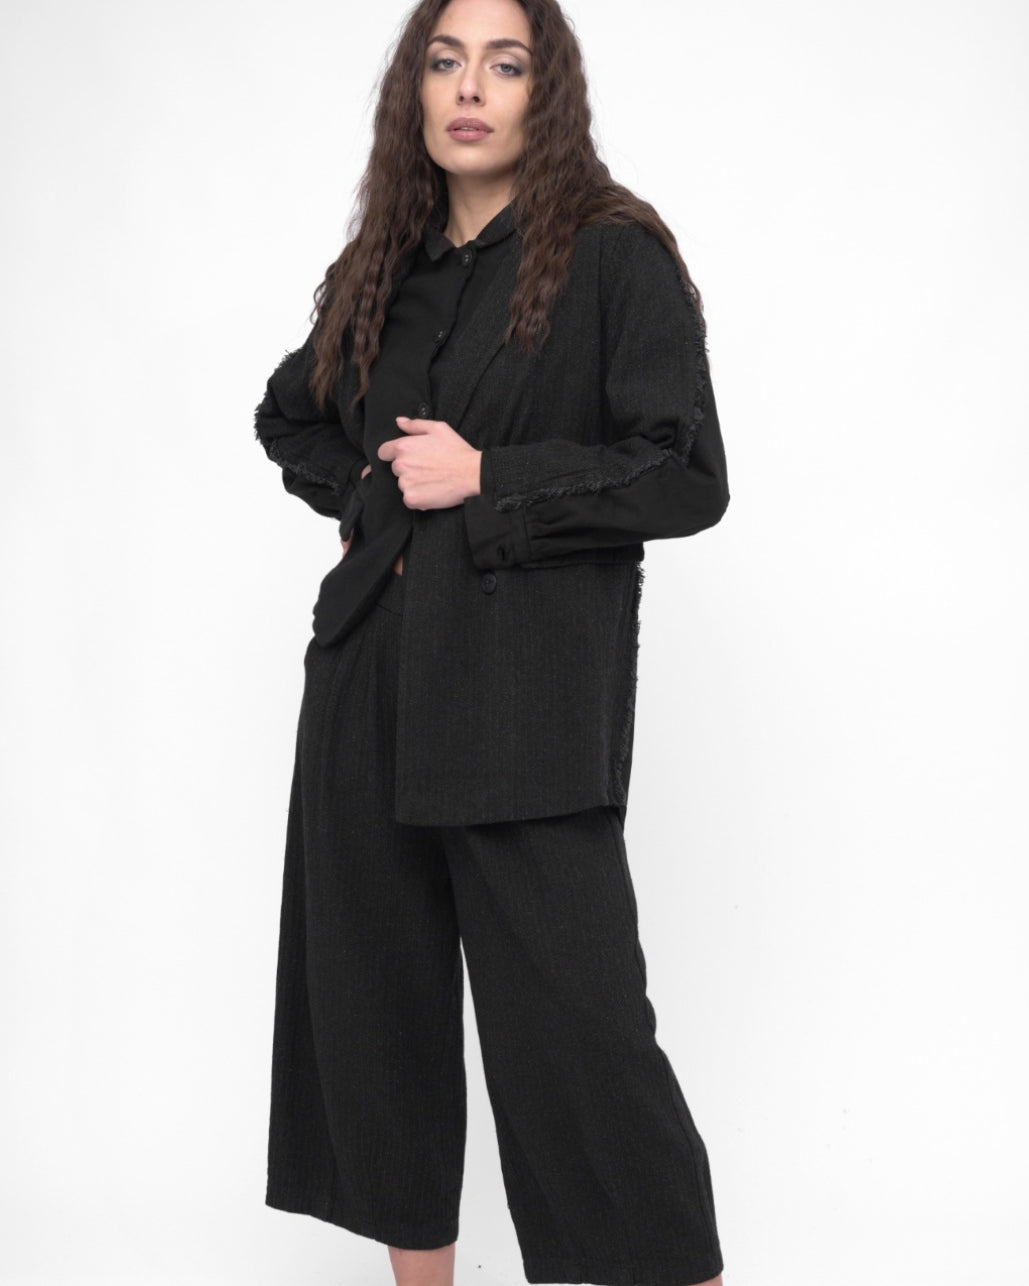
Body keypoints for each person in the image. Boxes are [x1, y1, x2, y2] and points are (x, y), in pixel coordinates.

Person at [252, 1, 730, 1283]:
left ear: (543, 92)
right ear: (413, 92)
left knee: (583, 1040)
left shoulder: (612, 258)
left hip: (523, 703)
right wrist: (370, 496)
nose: (471, 88)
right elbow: (288, 415)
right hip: (368, 687)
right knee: (379, 1027)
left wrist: (488, 478)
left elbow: (685, 474)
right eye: (445, 61)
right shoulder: (386, 268)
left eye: (504, 64)